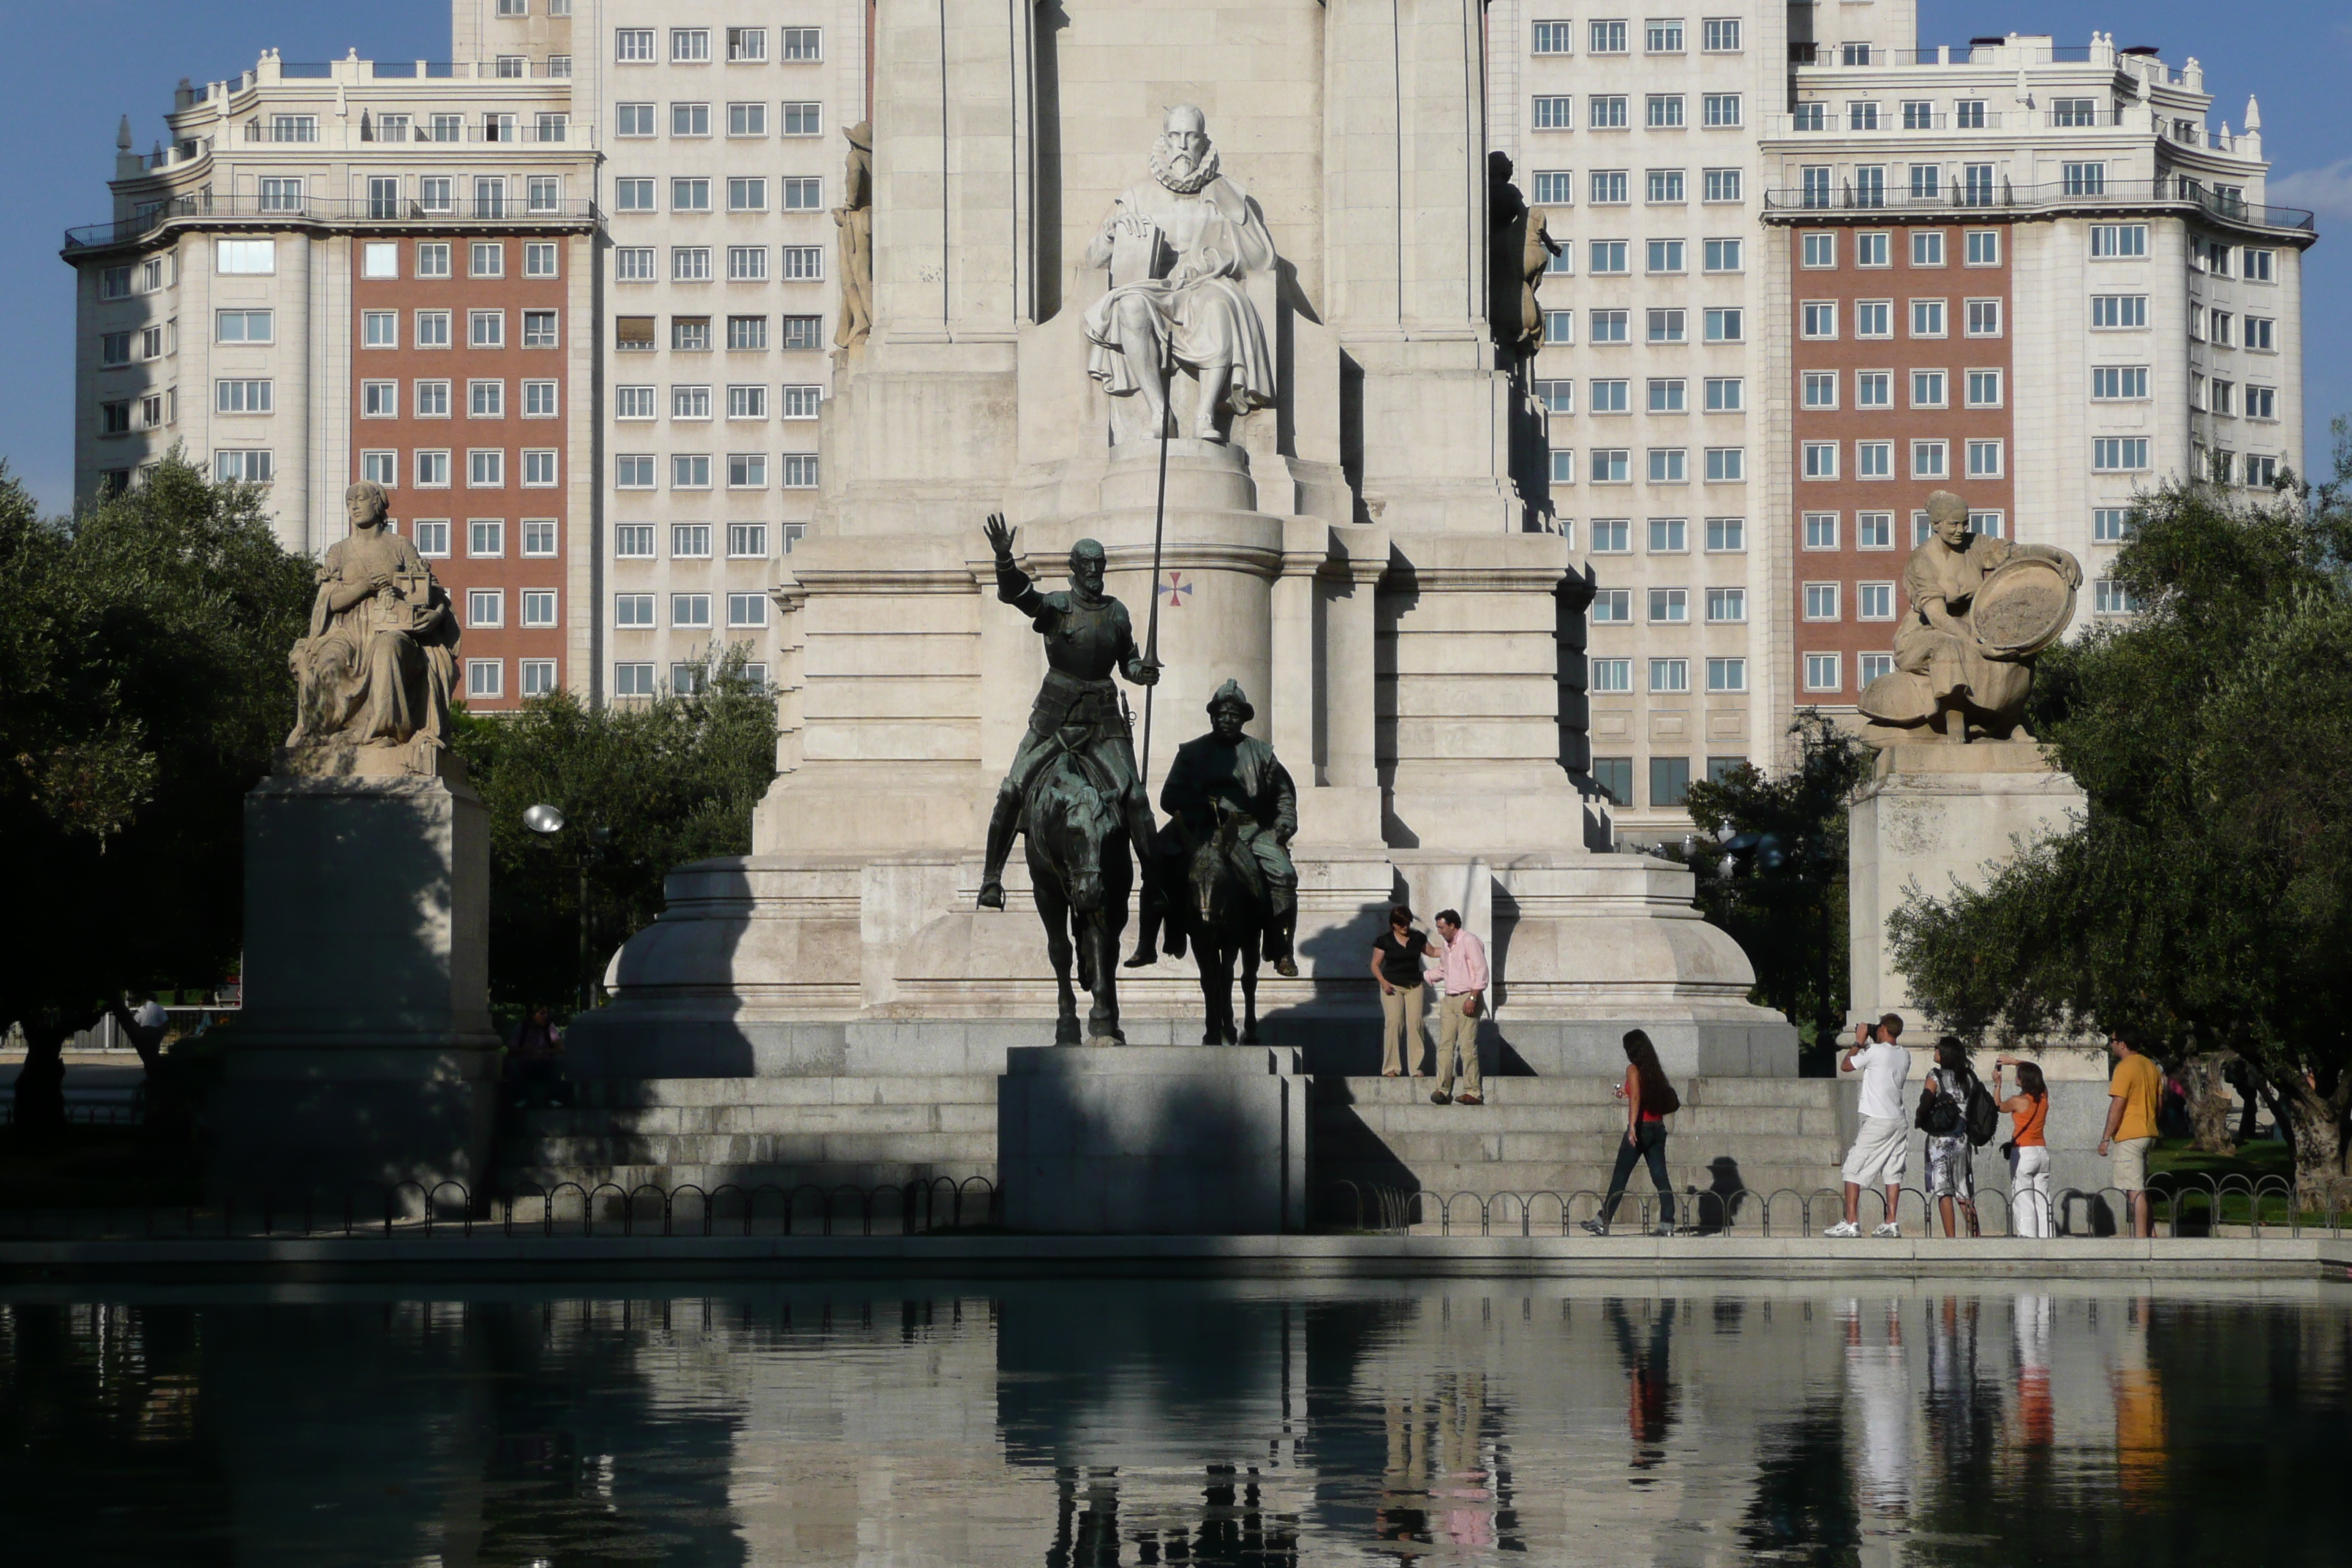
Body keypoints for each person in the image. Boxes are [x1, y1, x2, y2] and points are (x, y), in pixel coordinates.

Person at [974, 515, 1161, 913]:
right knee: (1013, 789)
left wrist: (1139, 672)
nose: (1095, 573)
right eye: (1088, 566)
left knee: (1137, 797)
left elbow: (1126, 661)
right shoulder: (1058, 605)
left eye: (1100, 566)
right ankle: (992, 878)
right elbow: (1019, 595)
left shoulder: (1116, 612)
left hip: (1104, 720)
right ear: (1075, 568)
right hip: (1055, 715)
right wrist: (1005, 559)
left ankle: (1155, 882)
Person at [1128, 681, 1299, 975]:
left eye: (1234, 714)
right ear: (1212, 717)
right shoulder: (1191, 752)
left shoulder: (1262, 753)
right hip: (1198, 827)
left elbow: (1283, 795)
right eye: (1221, 714)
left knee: (1284, 874)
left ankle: (1281, 947)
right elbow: (1169, 797)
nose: (1227, 719)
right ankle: (1148, 944)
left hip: (1250, 829)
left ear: (1244, 718)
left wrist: (1284, 824)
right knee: (1155, 864)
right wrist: (1201, 807)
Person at [1583, 1029, 1681, 1236]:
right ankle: (1667, 1223)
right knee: (1660, 1177)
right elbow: (1640, 1093)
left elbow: (1636, 1099)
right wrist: (1626, 1092)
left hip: (1641, 1127)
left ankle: (1603, 1221)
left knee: (1620, 1176)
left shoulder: (1633, 1069)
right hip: (1658, 1128)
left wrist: (1632, 1127)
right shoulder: (1654, 1070)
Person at [1826, 1014, 1910, 1237]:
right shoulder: (1904, 1054)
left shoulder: (1874, 1052)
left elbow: (1846, 1066)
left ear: (1882, 1028)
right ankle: (1891, 1222)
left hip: (1878, 1119)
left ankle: (1850, 1222)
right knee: (1893, 1171)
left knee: (1852, 1168)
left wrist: (1858, 1042)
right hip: (1899, 1119)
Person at [2097, 1031, 2162, 1237]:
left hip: (2130, 1134)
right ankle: (2151, 1235)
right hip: (2148, 1132)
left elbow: (2118, 1104)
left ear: (2123, 1044)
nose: (2112, 1045)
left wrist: (2106, 1137)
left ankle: (2141, 1241)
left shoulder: (2125, 1067)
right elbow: (2159, 1102)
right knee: (2140, 1187)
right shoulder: (2151, 1066)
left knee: (2134, 1190)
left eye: (2113, 1041)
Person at [1423, 910, 1488, 1107]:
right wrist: (1422, 977)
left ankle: (1473, 1091)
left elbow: (1481, 970)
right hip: (1449, 999)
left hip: (1468, 997)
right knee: (1445, 1046)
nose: (1439, 931)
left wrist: (1473, 997)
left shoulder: (1469, 941)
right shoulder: (1446, 945)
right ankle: (1442, 1089)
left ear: (1453, 925)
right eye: (1438, 928)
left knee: (1467, 1047)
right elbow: (1443, 970)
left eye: (1442, 927)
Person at [1917, 1037, 1980, 1238]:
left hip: (1940, 1140)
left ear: (1944, 1053)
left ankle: (1950, 1239)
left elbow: (1926, 1100)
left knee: (1944, 1190)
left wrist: (1920, 1118)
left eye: (1937, 1048)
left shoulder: (1935, 1076)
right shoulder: (1969, 1077)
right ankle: (1976, 1236)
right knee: (1964, 1190)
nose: (1934, 1050)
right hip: (1962, 1140)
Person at [1993, 1055, 2052, 1238]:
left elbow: (1998, 1106)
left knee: (2024, 1198)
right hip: (2042, 1152)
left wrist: (1997, 1084)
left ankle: (2028, 1238)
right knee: (2043, 1199)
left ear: (2023, 1080)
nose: (2016, 1078)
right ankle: (2047, 1237)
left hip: (2024, 1153)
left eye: (2018, 1075)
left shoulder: (2018, 1101)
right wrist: (2014, 1062)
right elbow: (2035, 1069)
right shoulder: (2043, 1095)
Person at [1369, 906, 1432, 1077]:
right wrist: (1383, 982)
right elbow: (1375, 964)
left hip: (1414, 985)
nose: (1405, 926)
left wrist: (1453, 948)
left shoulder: (1417, 937)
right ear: (1394, 924)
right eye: (1401, 923)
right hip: (1392, 985)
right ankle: (1391, 1067)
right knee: (1395, 1023)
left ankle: (1416, 1067)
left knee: (1416, 1023)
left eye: (1407, 923)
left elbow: (1432, 952)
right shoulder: (1385, 941)